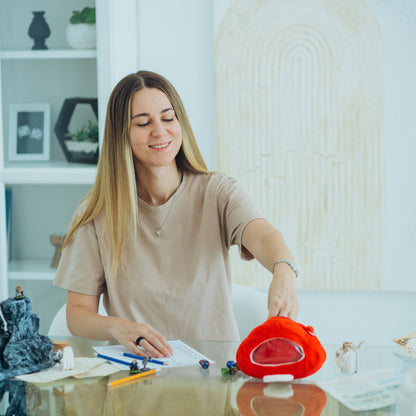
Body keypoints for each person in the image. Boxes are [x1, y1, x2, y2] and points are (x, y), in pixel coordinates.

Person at [53, 70, 299, 359]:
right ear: (122, 134)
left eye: (168, 118)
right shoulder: (95, 213)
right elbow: (78, 313)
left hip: (214, 385)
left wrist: (284, 270)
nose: (160, 131)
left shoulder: (219, 192)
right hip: (135, 383)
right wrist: (117, 327)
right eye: (143, 123)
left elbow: (263, 235)